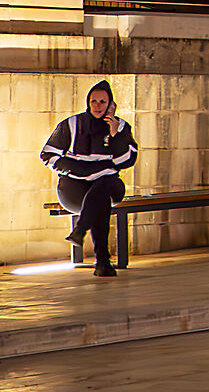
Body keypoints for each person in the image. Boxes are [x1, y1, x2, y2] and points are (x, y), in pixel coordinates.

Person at [41, 81, 138, 275]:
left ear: (110, 104)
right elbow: (47, 154)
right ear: (88, 102)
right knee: (99, 201)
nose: (97, 105)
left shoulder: (120, 127)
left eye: (103, 101)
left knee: (103, 188)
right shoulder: (71, 124)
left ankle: (80, 229)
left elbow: (126, 161)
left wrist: (115, 135)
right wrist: (77, 169)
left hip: (107, 185)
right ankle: (102, 262)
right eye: (94, 101)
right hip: (74, 188)